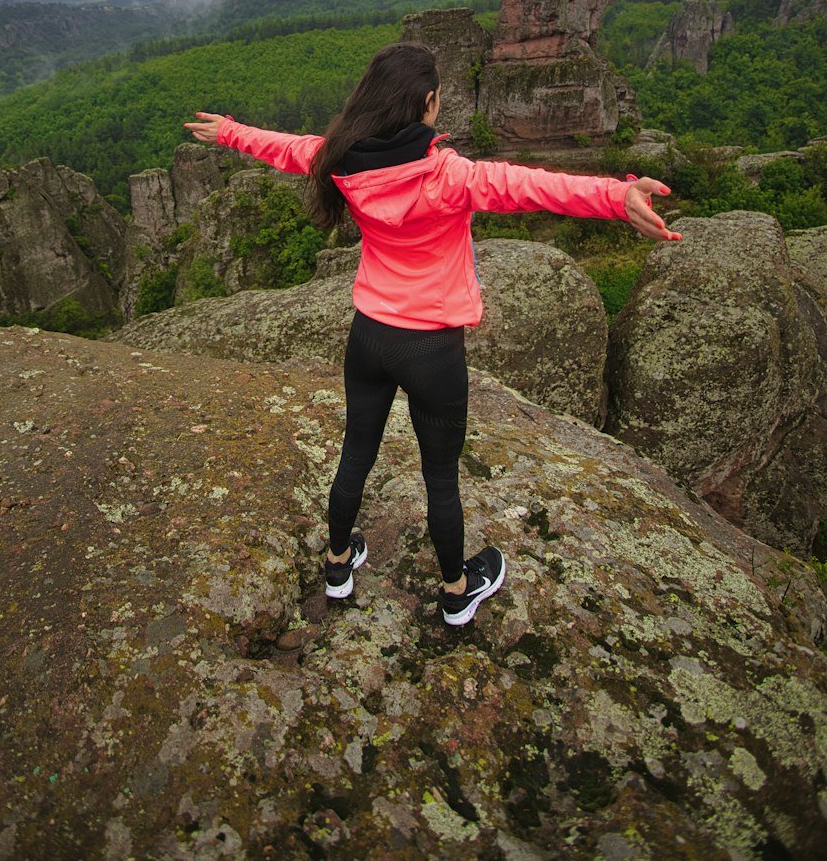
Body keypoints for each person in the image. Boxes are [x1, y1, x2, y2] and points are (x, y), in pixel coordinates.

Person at [185, 42, 679, 627]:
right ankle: (455, 590)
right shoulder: (450, 175)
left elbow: (286, 149)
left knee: (355, 453)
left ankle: (339, 565)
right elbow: (530, 186)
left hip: (369, 335)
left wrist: (231, 132)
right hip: (431, 348)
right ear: (427, 102)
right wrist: (617, 197)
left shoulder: (339, 158)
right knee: (440, 477)